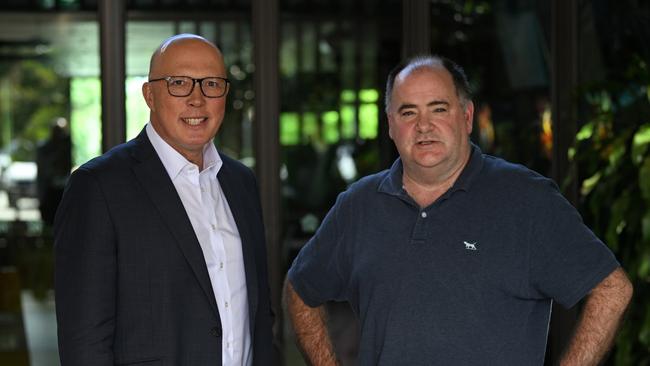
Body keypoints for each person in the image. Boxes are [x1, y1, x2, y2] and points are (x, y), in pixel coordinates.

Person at [285, 55, 633, 365]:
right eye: (408, 112)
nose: (423, 126)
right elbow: (301, 290)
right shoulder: (359, 205)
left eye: (438, 109)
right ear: (390, 124)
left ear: (466, 117)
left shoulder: (527, 199)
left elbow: (611, 290)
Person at [54, 34, 275, 366]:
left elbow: (257, 316)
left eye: (211, 84)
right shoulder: (98, 187)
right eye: (179, 83)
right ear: (150, 95)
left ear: (225, 95)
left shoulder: (241, 183)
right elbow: (84, 340)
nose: (197, 99)